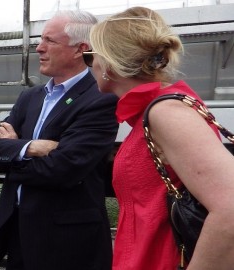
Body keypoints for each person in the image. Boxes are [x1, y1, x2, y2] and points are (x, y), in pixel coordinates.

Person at [83, 6, 234, 270]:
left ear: (108, 62)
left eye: (89, 56)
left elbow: (230, 211)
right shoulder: (156, 111)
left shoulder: (165, 113)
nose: (90, 64)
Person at [0, 10, 119, 270]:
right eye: (39, 41)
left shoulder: (101, 98)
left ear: (81, 49)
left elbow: (62, 169)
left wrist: (12, 152)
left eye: (49, 41)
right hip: (18, 233)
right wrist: (30, 147)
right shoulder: (30, 97)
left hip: (67, 242)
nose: (39, 49)